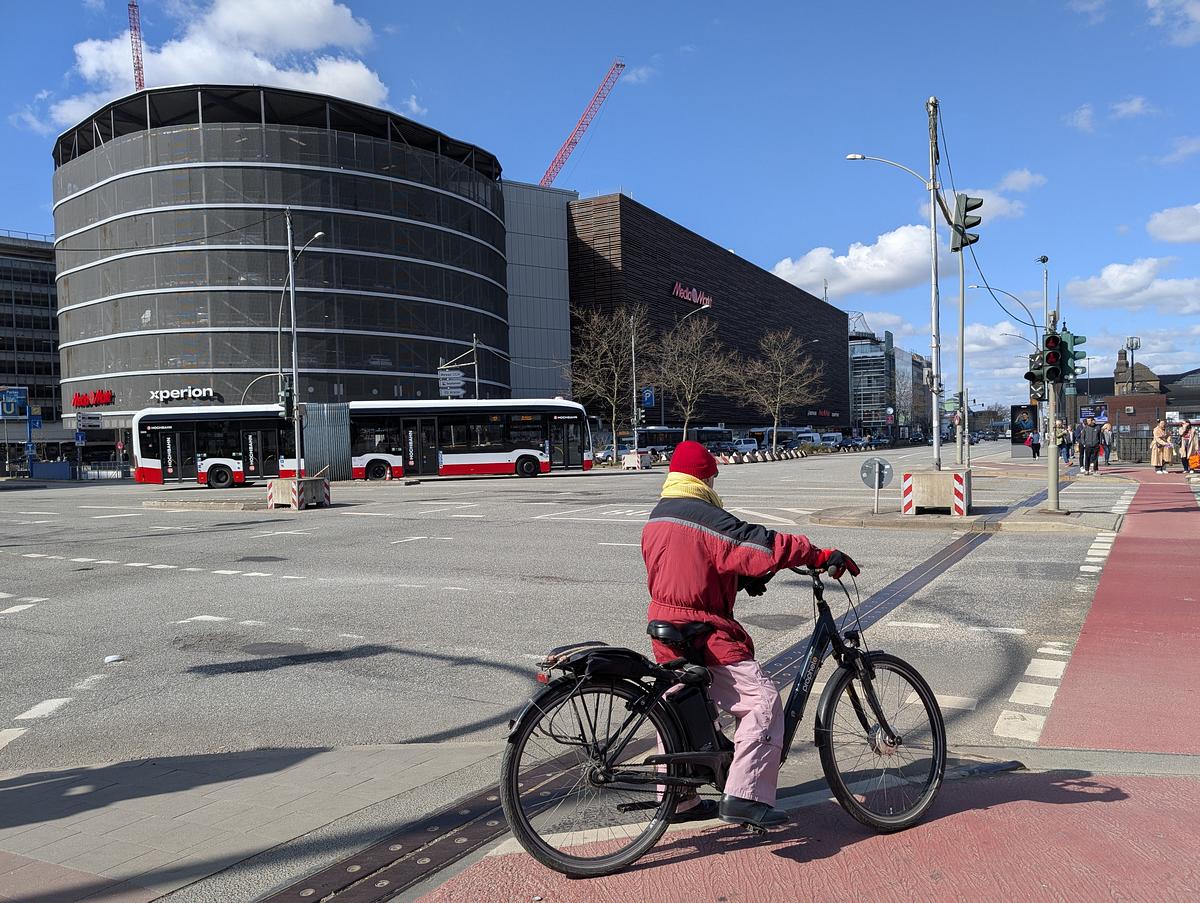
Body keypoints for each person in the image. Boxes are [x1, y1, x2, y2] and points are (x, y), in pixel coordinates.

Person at [641, 441, 858, 830]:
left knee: (680, 705)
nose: (714, 483)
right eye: (712, 477)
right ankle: (745, 797)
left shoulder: (659, 514)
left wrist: (739, 581)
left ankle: (677, 797)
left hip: (666, 623)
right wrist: (818, 555)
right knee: (763, 703)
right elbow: (759, 544)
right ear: (704, 477)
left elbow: (688, 568)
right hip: (703, 629)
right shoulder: (705, 515)